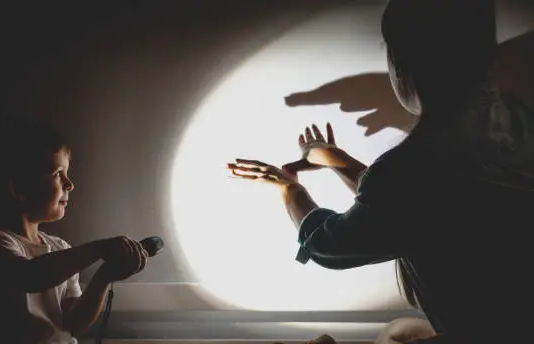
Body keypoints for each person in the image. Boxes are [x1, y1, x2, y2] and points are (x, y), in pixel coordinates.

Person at [228, 1, 534, 343]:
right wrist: (340, 162)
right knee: (399, 331)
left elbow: (330, 244)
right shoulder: (519, 120)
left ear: (401, 68)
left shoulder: (410, 170)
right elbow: (419, 205)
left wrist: (289, 190)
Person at [0, 118, 149, 344]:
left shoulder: (60, 249)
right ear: (19, 188)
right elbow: (31, 276)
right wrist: (98, 249)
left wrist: (103, 276)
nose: (69, 184)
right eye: (57, 173)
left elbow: (73, 324)